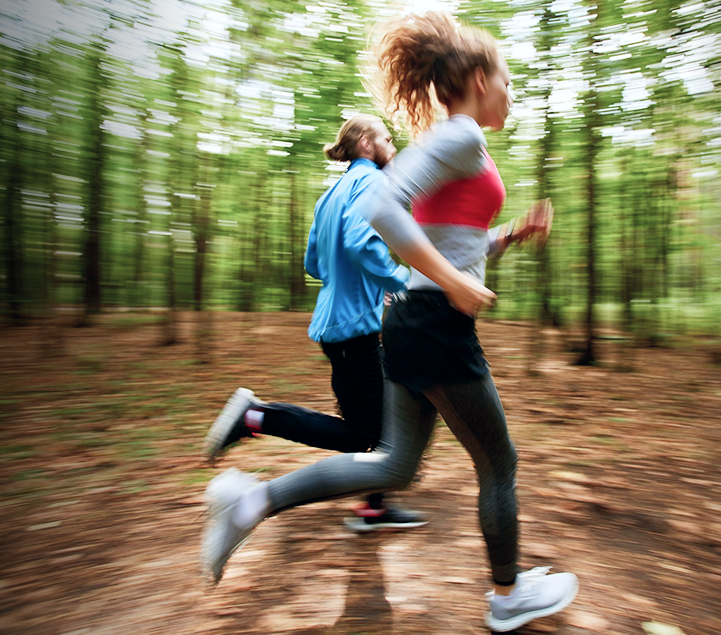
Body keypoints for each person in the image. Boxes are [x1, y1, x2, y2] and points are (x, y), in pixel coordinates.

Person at [200, 11, 578, 633]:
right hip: (433, 322)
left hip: (405, 317)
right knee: (499, 462)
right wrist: (454, 282)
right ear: (479, 79)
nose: (512, 92)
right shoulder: (461, 138)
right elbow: (382, 207)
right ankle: (508, 597)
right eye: (508, 80)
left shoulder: (450, 142)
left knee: (393, 464)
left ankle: (250, 501)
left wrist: (507, 236)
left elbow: (448, 240)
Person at [201, 114, 426, 532]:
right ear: (365, 143)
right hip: (354, 329)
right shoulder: (373, 182)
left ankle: (375, 507)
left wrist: (358, 283)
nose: (392, 145)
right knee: (369, 434)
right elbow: (360, 243)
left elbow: (313, 263)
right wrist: (400, 282)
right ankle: (257, 417)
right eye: (386, 138)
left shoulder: (329, 196)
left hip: (336, 325)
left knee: (373, 426)